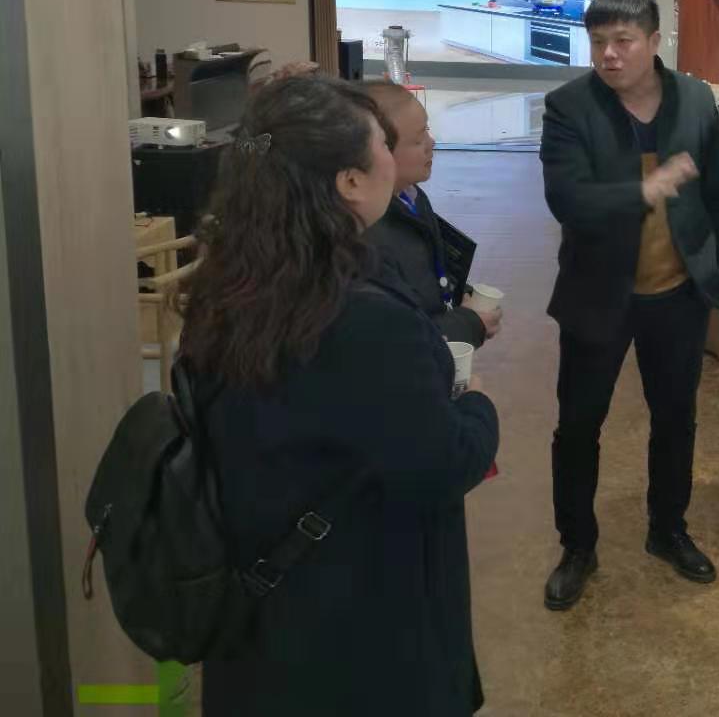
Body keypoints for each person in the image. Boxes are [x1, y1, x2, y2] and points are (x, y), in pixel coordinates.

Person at [181, 75, 500, 717]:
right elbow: (438, 465)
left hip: (256, 603)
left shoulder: (226, 282)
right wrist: (477, 407)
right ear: (351, 180)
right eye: (383, 141)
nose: (397, 153)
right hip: (357, 622)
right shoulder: (362, 316)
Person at [539, 0, 719, 611]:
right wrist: (644, 189)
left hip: (677, 293)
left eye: (623, 41)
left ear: (654, 40)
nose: (609, 55)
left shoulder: (695, 99)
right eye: (598, 42)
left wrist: (716, 260)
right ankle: (578, 546)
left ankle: (667, 529)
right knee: (578, 425)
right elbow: (567, 200)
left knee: (675, 418)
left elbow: (714, 190)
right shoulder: (569, 106)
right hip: (599, 292)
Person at [363, 80, 501, 348]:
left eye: (426, 130)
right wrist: (469, 324)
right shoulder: (369, 238)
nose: (432, 143)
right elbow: (397, 339)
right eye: (418, 140)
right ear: (377, 150)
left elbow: (425, 273)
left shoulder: (413, 196)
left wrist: (459, 296)